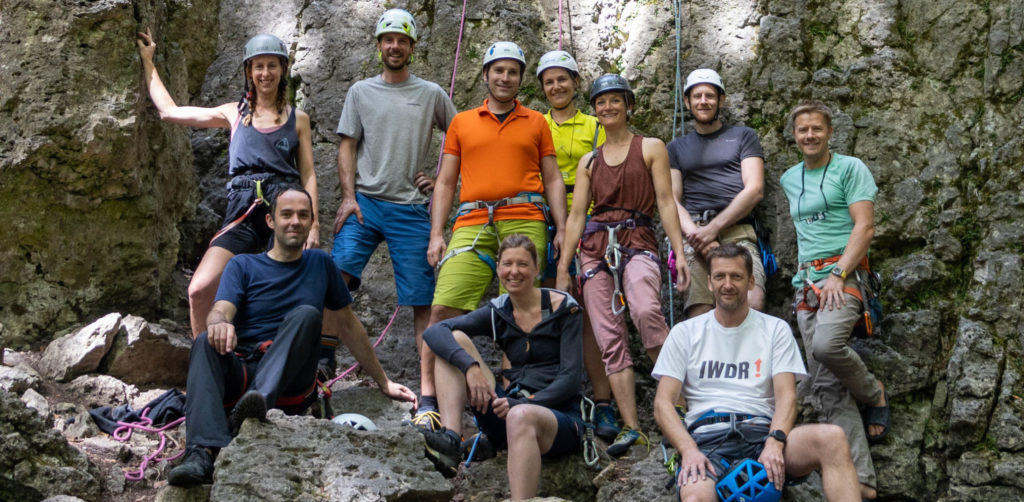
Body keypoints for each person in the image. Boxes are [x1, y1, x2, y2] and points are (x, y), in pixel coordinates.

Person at [167, 186, 415, 486]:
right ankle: (202, 453)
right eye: (286, 214)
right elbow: (221, 309)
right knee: (204, 341)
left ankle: (253, 404)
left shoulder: (321, 264)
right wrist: (219, 323)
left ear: (311, 222)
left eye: (302, 215)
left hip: (291, 380)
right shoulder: (243, 265)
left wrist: (384, 381)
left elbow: (348, 325)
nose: (294, 221)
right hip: (244, 368)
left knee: (307, 314)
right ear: (271, 221)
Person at [419, 41, 568, 429]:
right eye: (498, 70)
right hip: (472, 219)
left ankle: (513, 390)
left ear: (521, 79)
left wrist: (562, 228)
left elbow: (552, 177)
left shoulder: (537, 122)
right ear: (485, 75)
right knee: (443, 308)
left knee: (521, 309)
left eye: (513, 72)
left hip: (525, 213)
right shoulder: (462, 122)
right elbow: (447, 181)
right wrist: (437, 234)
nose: (505, 77)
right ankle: (428, 397)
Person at [137, 30, 319, 338]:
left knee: (305, 286)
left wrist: (313, 224)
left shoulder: (297, 119)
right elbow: (170, 112)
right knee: (199, 289)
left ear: (283, 70)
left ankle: (310, 365)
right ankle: (204, 367)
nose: (265, 73)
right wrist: (147, 61)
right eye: (258, 66)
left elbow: (309, 175)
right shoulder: (233, 113)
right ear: (249, 72)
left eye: (272, 65)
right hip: (243, 210)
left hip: (285, 209)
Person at [653, 244, 862, 502]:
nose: (727, 284)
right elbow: (663, 403)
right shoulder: (685, 333)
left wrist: (775, 441)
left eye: (736, 276)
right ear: (709, 283)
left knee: (832, 438)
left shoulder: (775, 330)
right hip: (706, 443)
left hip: (762, 435)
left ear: (751, 281)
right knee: (696, 498)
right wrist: (688, 450)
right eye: (720, 276)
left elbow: (786, 397)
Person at [323, 9, 457, 402]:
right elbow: (347, 146)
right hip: (365, 203)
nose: (394, 46)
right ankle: (322, 360)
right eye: (388, 39)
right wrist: (347, 196)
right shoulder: (361, 92)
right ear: (379, 45)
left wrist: (442, 180)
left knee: (422, 301)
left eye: (402, 40)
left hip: (412, 209)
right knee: (334, 278)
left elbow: (463, 137)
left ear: (412, 47)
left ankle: (429, 392)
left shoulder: (430, 93)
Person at [556, 74, 689, 457]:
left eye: (615, 100)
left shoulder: (650, 148)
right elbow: (578, 214)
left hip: (637, 240)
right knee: (607, 336)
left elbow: (665, 202)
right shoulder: (589, 161)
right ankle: (633, 427)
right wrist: (566, 265)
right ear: (594, 111)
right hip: (595, 248)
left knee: (647, 311)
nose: (608, 107)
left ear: (629, 105)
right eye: (601, 102)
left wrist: (678, 252)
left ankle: (679, 404)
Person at [419, 234, 584, 500]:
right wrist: (471, 368)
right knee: (453, 343)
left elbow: (570, 379)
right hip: (506, 412)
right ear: (498, 269)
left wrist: (524, 403)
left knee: (521, 415)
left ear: (536, 269)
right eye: (507, 264)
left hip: (556, 419)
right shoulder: (499, 311)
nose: (514, 272)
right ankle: (451, 440)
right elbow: (435, 332)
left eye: (522, 264)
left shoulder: (564, 309)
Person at [780, 100, 888, 500]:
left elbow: (866, 226)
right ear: (794, 136)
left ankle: (873, 391)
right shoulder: (790, 178)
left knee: (827, 345)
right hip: (807, 284)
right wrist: (812, 280)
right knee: (825, 389)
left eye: (816, 129)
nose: (810, 135)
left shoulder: (850, 168)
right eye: (802, 129)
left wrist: (839, 274)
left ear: (829, 132)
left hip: (845, 277)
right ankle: (862, 482)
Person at [535, 50, 618, 441]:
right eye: (549, 81)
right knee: (543, 313)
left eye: (563, 79)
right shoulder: (536, 125)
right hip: (542, 219)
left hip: (587, 219)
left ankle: (603, 401)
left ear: (575, 82)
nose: (556, 87)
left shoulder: (593, 125)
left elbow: (606, 171)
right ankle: (547, 395)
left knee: (586, 315)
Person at [667, 68, 766, 319]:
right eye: (697, 96)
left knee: (752, 304)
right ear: (687, 102)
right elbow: (671, 200)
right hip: (694, 232)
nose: (703, 101)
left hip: (737, 230)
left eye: (710, 95)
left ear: (721, 100)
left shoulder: (743, 136)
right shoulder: (676, 148)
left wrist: (714, 228)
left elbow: (754, 189)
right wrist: (697, 235)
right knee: (699, 314)